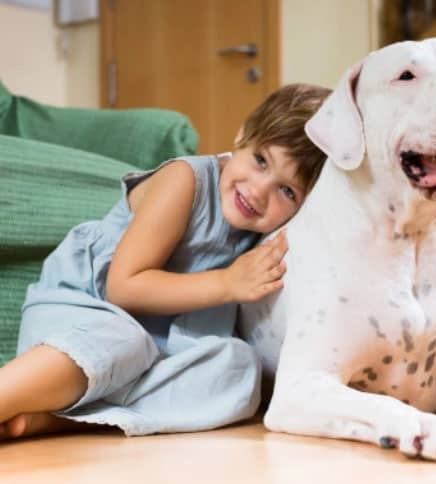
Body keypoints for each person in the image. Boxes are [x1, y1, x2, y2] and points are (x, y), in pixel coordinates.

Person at [0, 83, 331, 440]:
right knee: (123, 340)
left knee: (237, 369)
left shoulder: (266, 230)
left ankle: (57, 420)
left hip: (153, 348)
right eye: (261, 161)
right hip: (82, 314)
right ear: (241, 136)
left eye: (287, 191)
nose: (258, 190)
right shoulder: (185, 181)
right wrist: (227, 283)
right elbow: (123, 287)